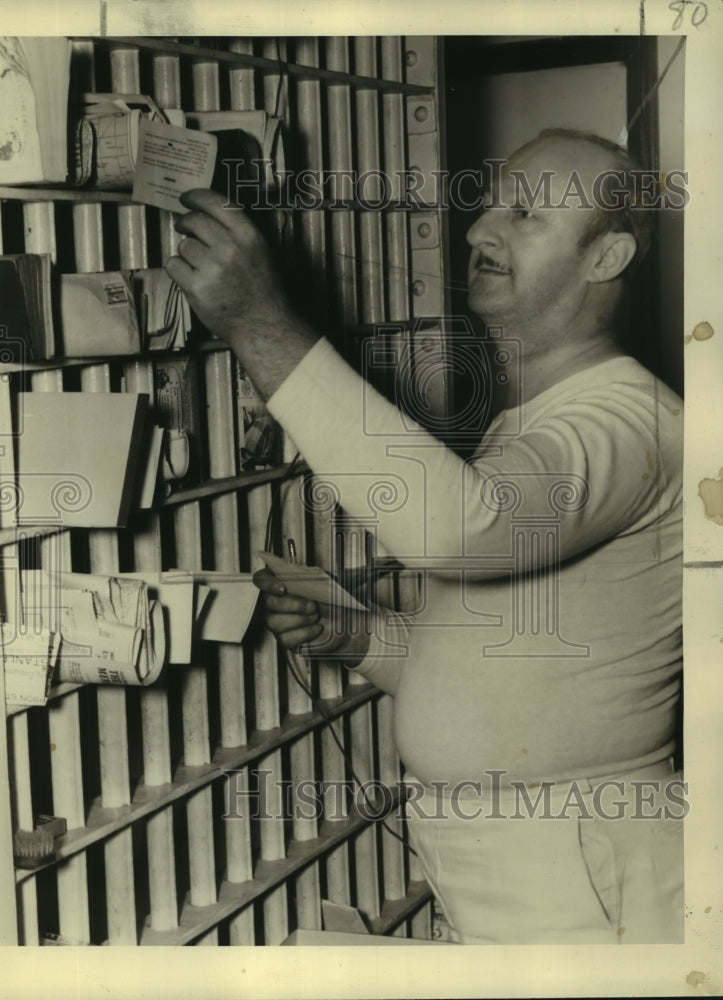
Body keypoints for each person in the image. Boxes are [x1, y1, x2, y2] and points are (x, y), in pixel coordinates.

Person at [165, 129, 685, 945]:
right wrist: (360, 636)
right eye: (488, 207)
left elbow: (457, 527)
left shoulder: (628, 423)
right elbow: (517, 679)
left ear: (605, 257)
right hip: (532, 856)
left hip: (576, 864)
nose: (480, 229)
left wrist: (264, 327)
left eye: (524, 214)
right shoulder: (537, 425)